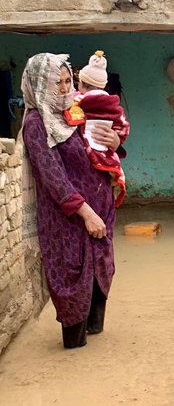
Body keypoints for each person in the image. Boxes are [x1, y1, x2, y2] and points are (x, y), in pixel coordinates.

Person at [19, 52, 123, 348]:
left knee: (101, 271)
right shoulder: (37, 123)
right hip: (68, 222)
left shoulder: (74, 113)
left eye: (68, 81)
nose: (65, 89)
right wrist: (86, 213)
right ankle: (74, 351)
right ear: (39, 85)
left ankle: (94, 340)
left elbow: (95, 147)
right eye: (57, 83)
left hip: (100, 212)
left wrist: (115, 143)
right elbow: (52, 175)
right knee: (72, 280)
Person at [65, 50, 129, 207]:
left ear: (80, 84)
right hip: (105, 158)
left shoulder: (74, 103)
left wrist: (115, 142)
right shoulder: (113, 105)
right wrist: (118, 139)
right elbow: (123, 126)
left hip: (84, 174)